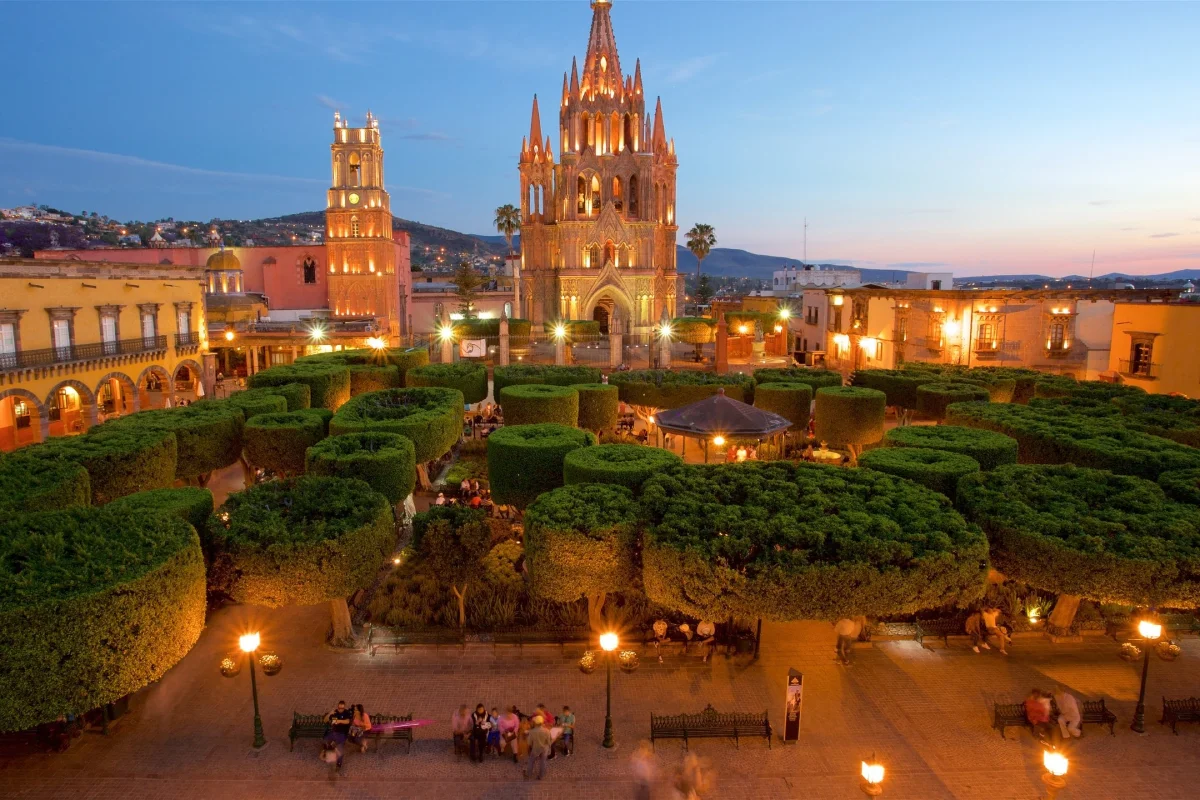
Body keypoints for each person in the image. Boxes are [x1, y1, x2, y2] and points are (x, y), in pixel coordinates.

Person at [322, 700, 354, 774]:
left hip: (342, 733)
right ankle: (328, 749)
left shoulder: (346, 713)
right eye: (339, 708)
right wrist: (330, 713)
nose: (340, 709)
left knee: (340, 748)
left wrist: (339, 721)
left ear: (344, 707)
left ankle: (338, 764)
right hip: (334, 732)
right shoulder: (335, 712)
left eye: (342, 708)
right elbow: (325, 720)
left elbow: (347, 721)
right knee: (325, 739)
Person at [524, 715, 553, 780]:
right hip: (544, 748)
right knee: (543, 762)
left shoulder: (532, 732)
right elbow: (549, 741)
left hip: (536, 748)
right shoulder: (546, 731)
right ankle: (541, 776)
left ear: (535, 723)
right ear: (542, 723)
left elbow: (529, 743)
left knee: (531, 760)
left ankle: (528, 774)